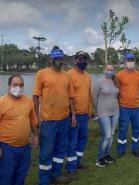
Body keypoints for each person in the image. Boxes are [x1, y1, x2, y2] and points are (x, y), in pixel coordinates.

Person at [33, 46, 74, 185]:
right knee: (46, 152)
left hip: (64, 119)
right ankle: (44, 180)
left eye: (61, 57)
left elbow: (70, 98)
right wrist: (37, 117)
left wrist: (72, 115)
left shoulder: (67, 76)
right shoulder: (42, 73)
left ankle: (55, 174)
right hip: (48, 121)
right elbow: (36, 96)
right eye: (56, 58)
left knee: (60, 149)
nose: (59, 60)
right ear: (51, 59)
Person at [0, 75, 38, 185]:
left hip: (25, 147)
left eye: (21, 85)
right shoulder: (2, 102)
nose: (18, 87)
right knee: (6, 176)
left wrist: (35, 135)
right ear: (9, 86)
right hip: (6, 147)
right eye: (15, 85)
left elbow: (33, 120)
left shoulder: (28, 101)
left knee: (21, 174)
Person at [66, 51, 92, 176]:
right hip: (73, 116)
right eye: (80, 59)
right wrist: (72, 114)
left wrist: (89, 111)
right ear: (75, 60)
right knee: (73, 142)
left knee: (83, 140)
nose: (83, 61)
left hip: (84, 115)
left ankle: (77, 162)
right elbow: (67, 97)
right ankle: (71, 168)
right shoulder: (68, 75)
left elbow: (88, 95)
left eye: (85, 59)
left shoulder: (88, 76)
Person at [116, 53, 139, 157]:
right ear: (124, 61)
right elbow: (116, 90)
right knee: (123, 129)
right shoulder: (119, 75)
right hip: (124, 107)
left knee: (136, 128)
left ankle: (135, 148)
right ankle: (120, 149)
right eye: (128, 60)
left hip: (136, 107)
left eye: (132, 60)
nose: (130, 62)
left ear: (135, 61)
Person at [92, 64, 119, 167]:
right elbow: (94, 97)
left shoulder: (115, 82)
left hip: (115, 112)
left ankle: (106, 155)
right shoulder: (99, 82)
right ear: (104, 70)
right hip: (103, 113)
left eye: (112, 70)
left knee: (111, 135)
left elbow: (116, 96)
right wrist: (98, 109)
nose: (110, 71)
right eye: (108, 69)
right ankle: (99, 159)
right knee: (106, 135)